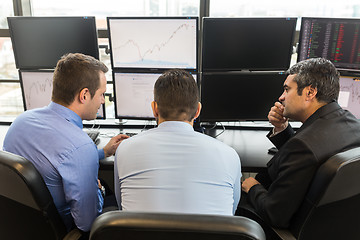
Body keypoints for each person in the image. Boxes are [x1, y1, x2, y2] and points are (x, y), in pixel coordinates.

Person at [3, 53, 128, 233]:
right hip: (64, 231)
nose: (102, 100)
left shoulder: (21, 121)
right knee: (115, 201)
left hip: (19, 226)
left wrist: (102, 152)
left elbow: (56, 158)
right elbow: (87, 224)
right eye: (102, 94)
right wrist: (98, 191)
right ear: (84, 95)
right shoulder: (80, 147)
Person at [240, 58, 360, 228]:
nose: (281, 97)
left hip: (294, 227)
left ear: (310, 93)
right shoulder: (352, 124)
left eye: (286, 89)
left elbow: (275, 214)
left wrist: (253, 188)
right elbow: (311, 154)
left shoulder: (302, 146)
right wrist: (282, 128)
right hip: (337, 225)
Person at [114, 69, 241, 215]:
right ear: (198, 110)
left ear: (154, 109)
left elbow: (121, 206)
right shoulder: (229, 155)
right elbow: (231, 212)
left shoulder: (124, 149)